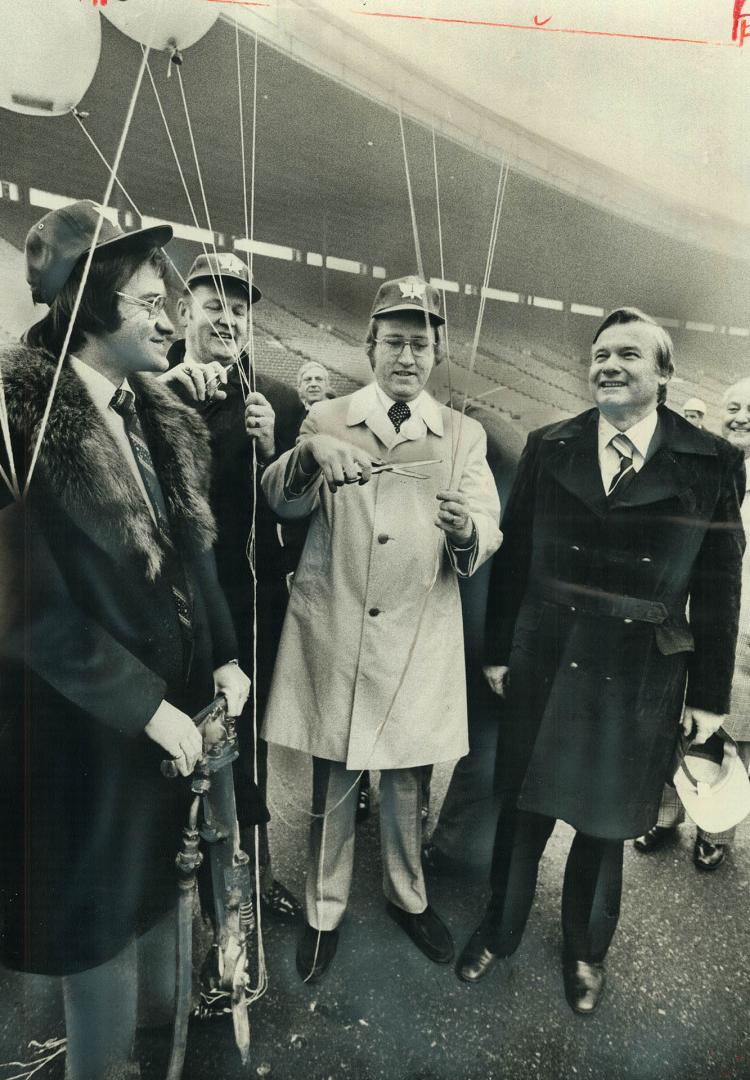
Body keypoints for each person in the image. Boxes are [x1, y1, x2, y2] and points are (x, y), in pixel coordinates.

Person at [0, 201, 250, 1080]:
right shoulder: (12, 421)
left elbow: (194, 555)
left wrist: (224, 654)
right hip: (77, 729)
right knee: (94, 917)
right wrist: (144, 706)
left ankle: (143, 1050)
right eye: (150, 299)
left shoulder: (160, 411)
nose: (174, 317)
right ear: (92, 304)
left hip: (162, 725)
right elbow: (24, 608)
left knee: (148, 892)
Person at [457, 307, 745, 1015]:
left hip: (640, 666)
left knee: (605, 819)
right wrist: (498, 652)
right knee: (522, 808)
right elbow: (516, 556)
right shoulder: (549, 443)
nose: (609, 366)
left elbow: (718, 583)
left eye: (628, 355)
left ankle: (586, 950)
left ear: (664, 375)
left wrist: (710, 696)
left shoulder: (713, 459)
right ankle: (500, 928)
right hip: (547, 652)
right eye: (600, 355)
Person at [261, 275, 502, 983]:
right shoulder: (326, 416)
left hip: (419, 631)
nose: (406, 355)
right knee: (333, 776)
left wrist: (468, 530)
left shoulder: (463, 433)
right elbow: (280, 503)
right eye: (394, 340)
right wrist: (308, 455)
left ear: (434, 354)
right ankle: (323, 910)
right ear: (369, 346)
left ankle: (407, 897)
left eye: (420, 343)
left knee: (406, 778)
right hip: (336, 623)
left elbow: (486, 525)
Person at [162, 252, 304, 924]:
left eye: (240, 308)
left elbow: (294, 523)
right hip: (173, 606)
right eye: (214, 303)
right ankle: (185, 893)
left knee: (248, 748)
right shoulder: (151, 386)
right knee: (178, 744)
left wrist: (274, 454)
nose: (228, 317)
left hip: (249, 602)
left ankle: (255, 876)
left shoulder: (275, 399)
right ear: (184, 309)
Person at [634, 376, 750, 869]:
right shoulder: (698, 467)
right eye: (734, 405)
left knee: (733, 737)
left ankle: (716, 828)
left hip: (743, 632)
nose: (742, 415)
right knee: (672, 724)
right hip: (684, 622)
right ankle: (665, 815)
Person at [422, 397, 524, 878]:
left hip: (457, 609)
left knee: (422, 723)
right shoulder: (516, 455)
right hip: (488, 618)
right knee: (485, 734)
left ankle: (424, 822)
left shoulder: (474, 449)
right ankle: (458, 845)